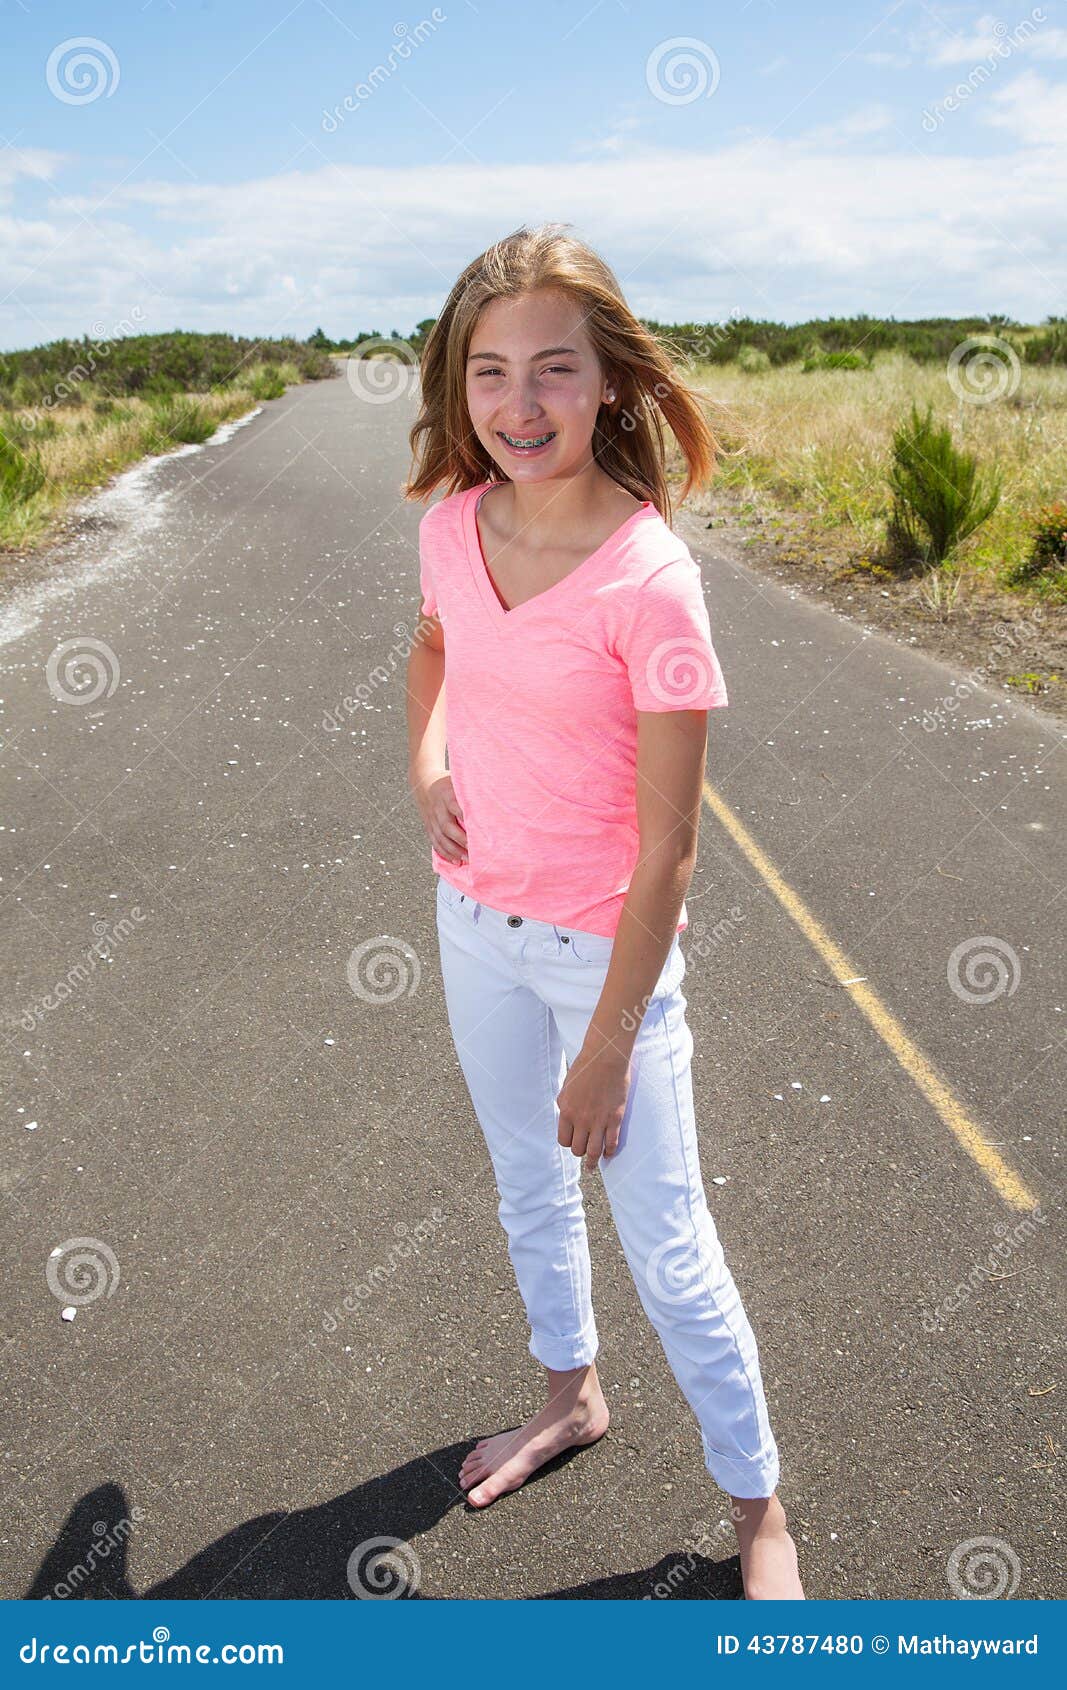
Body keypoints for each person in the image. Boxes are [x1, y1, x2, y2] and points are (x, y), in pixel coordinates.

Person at [404, 222, 804, 1600]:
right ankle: (569, 1393)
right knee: (527, 1184)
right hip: (473, 928)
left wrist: (609, 1041)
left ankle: (758, 1515)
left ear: (613, 382)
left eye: (555, 370)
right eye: (491, 371)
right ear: (459, 384)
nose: (521, 404)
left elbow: (676, 845)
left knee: (672, 1246)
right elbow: (435, 650)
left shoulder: (652, 581)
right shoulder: (452, 527)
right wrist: (429, 760)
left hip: (607, 964)